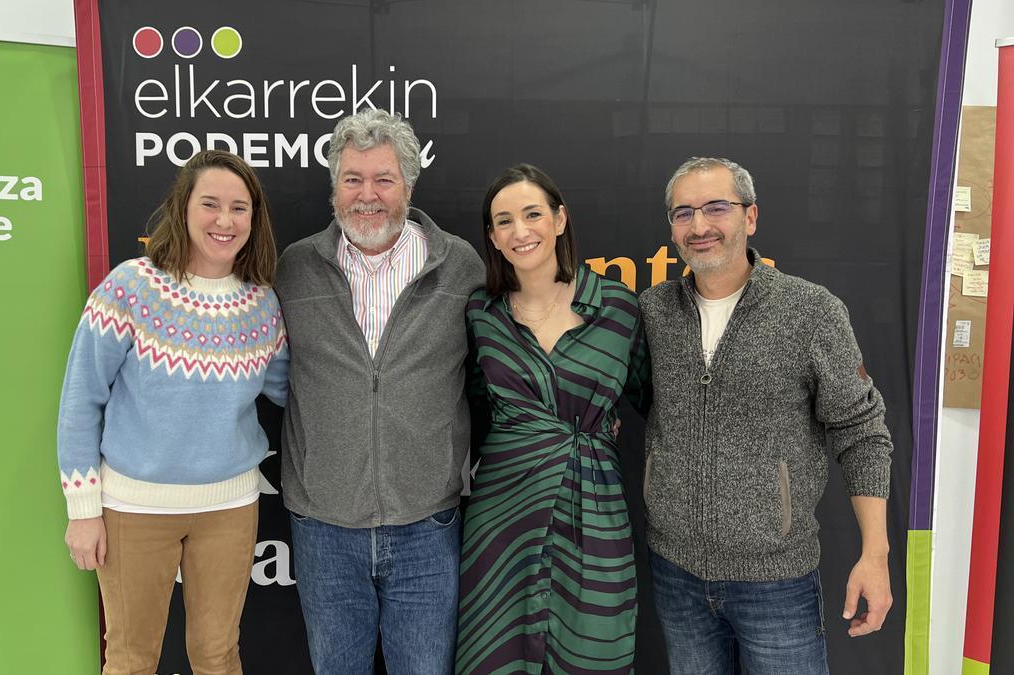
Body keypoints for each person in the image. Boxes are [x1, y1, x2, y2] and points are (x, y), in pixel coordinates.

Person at [639, 156, 894, 674]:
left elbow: (862, 433)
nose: (700, 225)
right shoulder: (651, 312)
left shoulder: (810, 312)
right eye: (683, 213)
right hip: (676, 573)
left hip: (776, 581)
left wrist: (876, 555)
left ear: (750, 217)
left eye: (716, 208)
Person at [56, 150, 289, 675]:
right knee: (131, 659)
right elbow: (80, 401)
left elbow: (291, 391)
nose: (224, 221)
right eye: (210, 204)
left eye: (239, 208)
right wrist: (82, 510)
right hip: (133, 510)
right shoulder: (130, 288)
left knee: (217, 655)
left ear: (254, 220)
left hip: (229, 508)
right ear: (184, 209)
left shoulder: (262, 305)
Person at [274, 108, 484, 674]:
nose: (368, 195)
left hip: (427, 526)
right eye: (353, 179)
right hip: (324, 528)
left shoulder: (460, 266)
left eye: (383, 179)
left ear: (409, 186)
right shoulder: (295, 268)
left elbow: (492, 372)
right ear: (335, 188)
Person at [455, 164, 651, 674]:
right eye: (504, 221)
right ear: (492, 238)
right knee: (494, 651)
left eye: (532, 214)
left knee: (594, 646)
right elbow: (474, 405)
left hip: (595, 506)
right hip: (501, 515)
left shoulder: (619, 306)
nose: (520, 231)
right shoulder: (482, 312)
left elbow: (651, 399)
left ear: (560, 220)